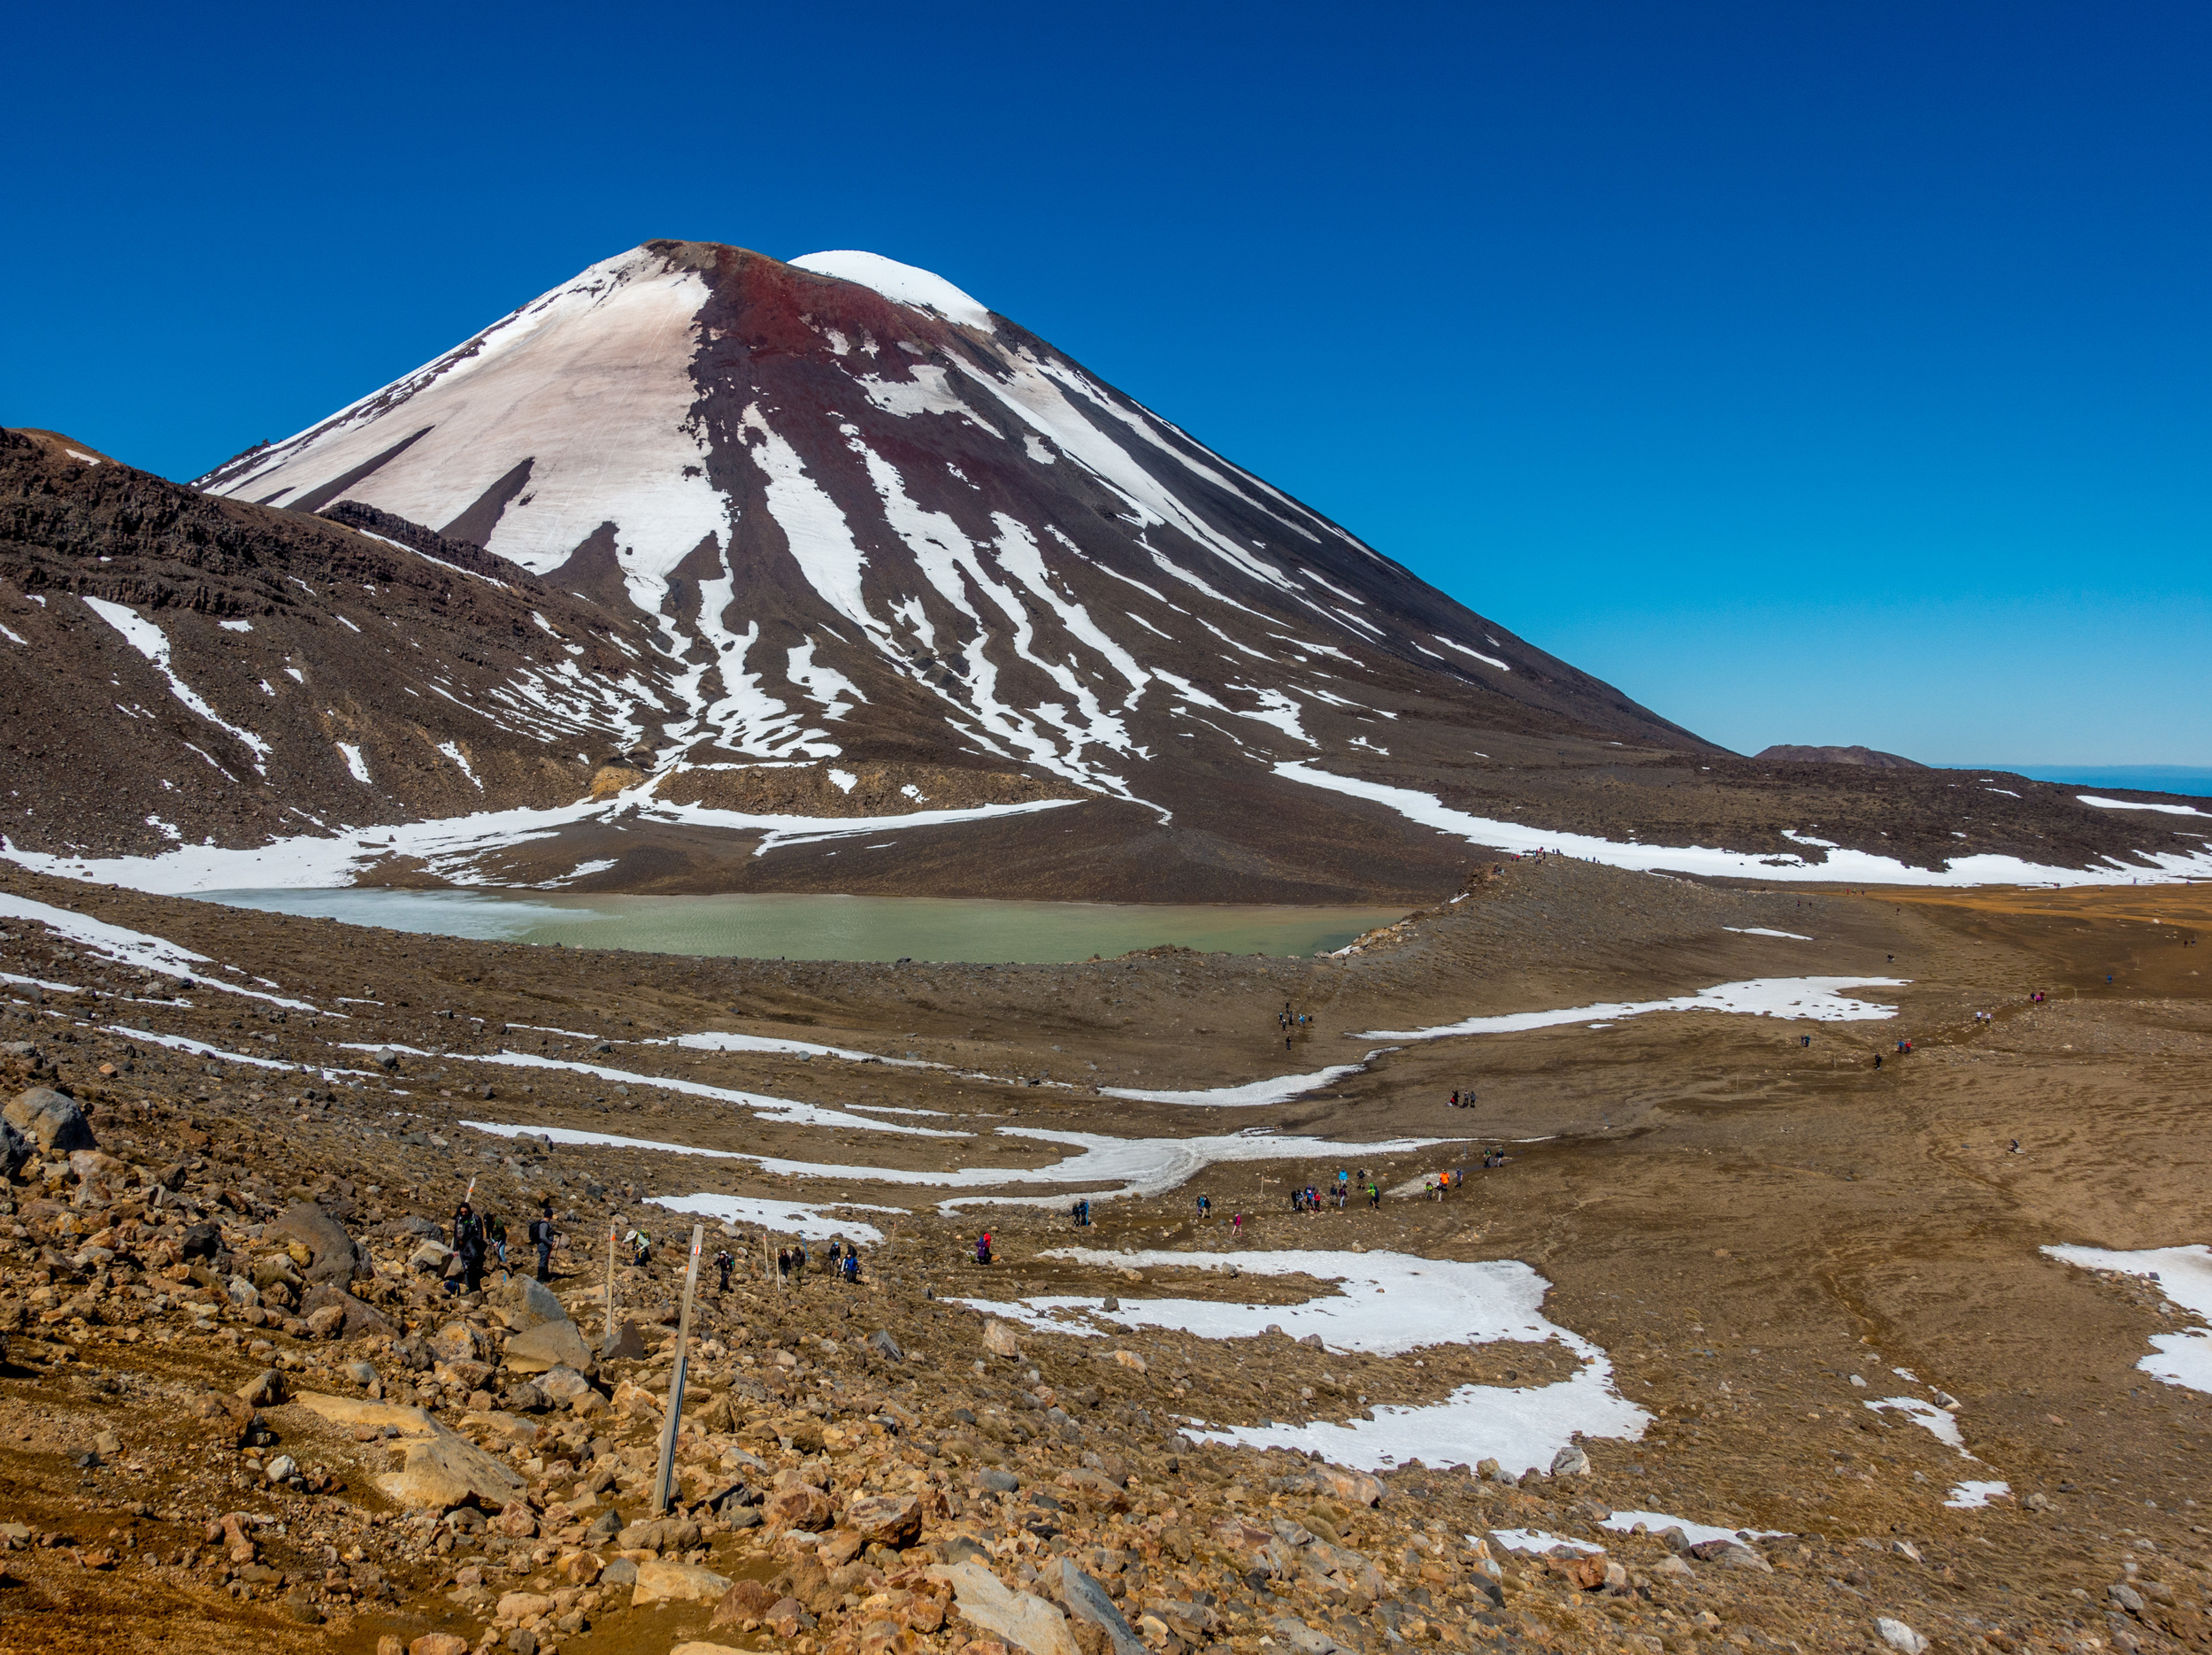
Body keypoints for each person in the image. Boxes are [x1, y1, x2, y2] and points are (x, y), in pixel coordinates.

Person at [452, 1202, 486, 1295]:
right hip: (462, 1247)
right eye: (462, 1212)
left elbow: (479, 1234)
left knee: (474, 1268)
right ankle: (469, 1289)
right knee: (466, 1269)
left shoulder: (476, 1219)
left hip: (473, 1247)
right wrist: (455, 1249)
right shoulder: (458, 1220)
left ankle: (476, 1289)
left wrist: (477, 1246)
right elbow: (456, 1234)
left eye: (465, 1212)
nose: (463, 1214)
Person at [529, 1203, 556, 1282]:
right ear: (550, 1215)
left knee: (545, 1261)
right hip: (544, 1246)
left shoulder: (543, 1223)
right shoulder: (544, 1225)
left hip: (544, 1245)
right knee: (543, 1261)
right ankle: (540, 1279)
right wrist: (551, 1243)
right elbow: (543, 1236)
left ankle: (546, 1277)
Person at [485, 1211, 508, 1277]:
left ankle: (506, 1268)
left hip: (501, 1239)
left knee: (501, 1254)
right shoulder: (487, 1223)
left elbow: (503, 1233)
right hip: (493, 1239)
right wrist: (488, 1242)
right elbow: (487, 1233)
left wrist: (497, 1242)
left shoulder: (498, 1222)